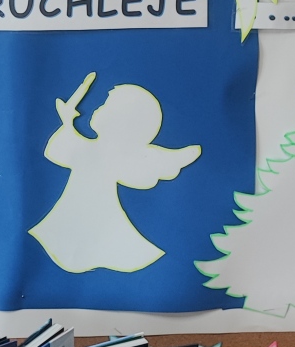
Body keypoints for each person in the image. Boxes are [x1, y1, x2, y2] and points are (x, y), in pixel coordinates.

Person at [29, 72, 201, 273]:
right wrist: (67, 121)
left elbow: (57, 151)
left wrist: (67, 123)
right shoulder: (89, 148)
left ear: (123, 121)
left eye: (106, 105)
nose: (98, 108)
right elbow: (54, 152)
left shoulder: (105, 154)